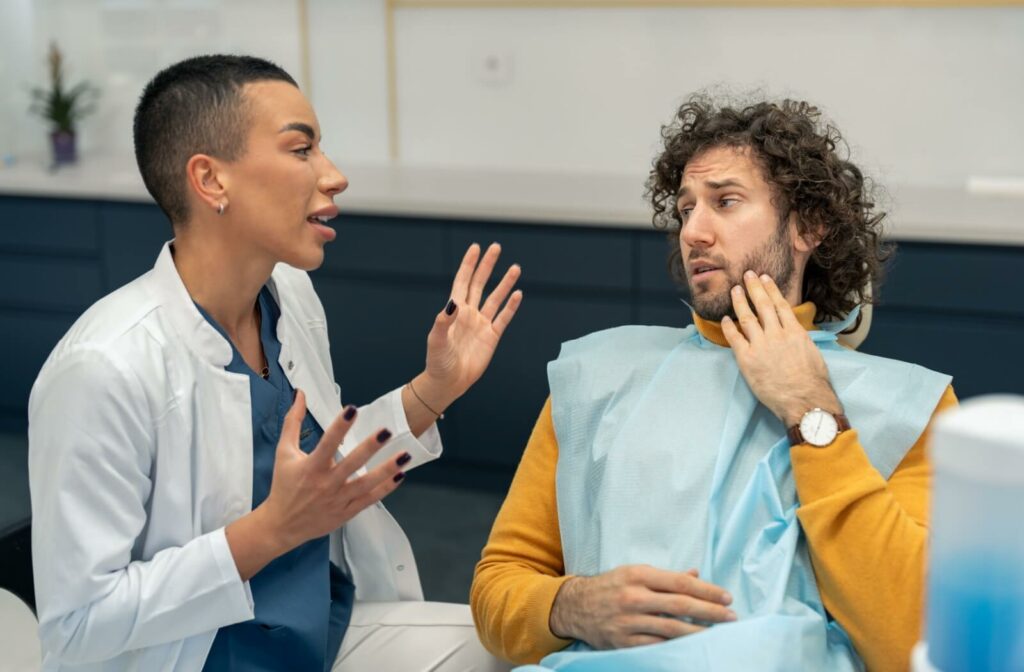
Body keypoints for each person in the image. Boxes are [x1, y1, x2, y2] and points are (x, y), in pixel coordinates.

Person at [29, 55, 520, 672]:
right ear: (211, 181)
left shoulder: (287, 295)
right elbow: (75, 628)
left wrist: (432, 390)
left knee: (521, 653)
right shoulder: (102, 367)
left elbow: (320, 471)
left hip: (319, 629)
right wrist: (270, 533)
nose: (334, 175)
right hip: (194, 658)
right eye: (301, 150)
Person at [470, 95, 958, 672]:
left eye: (725, 202)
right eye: (685, 208)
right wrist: (569, 605)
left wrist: (811, 409)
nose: (693, 232)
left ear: (808, 226)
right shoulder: (595, 377)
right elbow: (498, 586)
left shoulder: (910, 408)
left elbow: (911, 638)